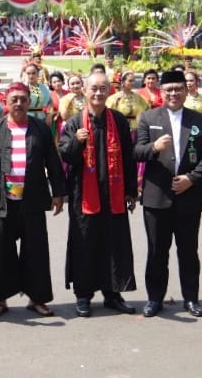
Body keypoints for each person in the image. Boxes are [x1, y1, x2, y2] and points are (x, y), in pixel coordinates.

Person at [0, 82, 65, 319]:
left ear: (28, 102)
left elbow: (53, 162)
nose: (19, 103)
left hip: (32, 199)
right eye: (14, 99)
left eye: (23, 99)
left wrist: (58, 193)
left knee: (36, 251)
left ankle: (37, 299)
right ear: (6, 102)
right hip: (2, 200)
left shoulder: (40, 129)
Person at [134, 69, 202, 318]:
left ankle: (191, 298)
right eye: (169, 89)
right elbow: (137, 151)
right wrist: (153, 147)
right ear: (161, 92)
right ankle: (154, 299)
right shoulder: (148, 117)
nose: (173, 93)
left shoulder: (200, 119)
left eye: (178, 89)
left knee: (188, 250)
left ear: (187, 90)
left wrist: (193, 179)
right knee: (156, 251)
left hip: (188, 196)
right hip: (156, 196)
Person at [59, 72, 139, 317]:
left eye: (103, 88)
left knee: (114, 245)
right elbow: (65, 155)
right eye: (94, 88)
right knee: (85, 244)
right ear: (84, 89)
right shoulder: (74, 123)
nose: (98, 93)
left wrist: (131, 191)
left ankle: (112, 293)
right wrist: (76, 142)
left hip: (113, 195)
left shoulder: (118, 120)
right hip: (84, 195)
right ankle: (83, 295)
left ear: (109, 91)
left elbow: (128, 156)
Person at [22, 61, 55, 127]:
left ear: (38, 74)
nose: (31, 76)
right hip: (26, 119)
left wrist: (49, 115)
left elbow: (50, 102)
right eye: (28, 73)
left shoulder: (43, 87)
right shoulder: (22, 88)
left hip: (42, 118)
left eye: (33, 73)